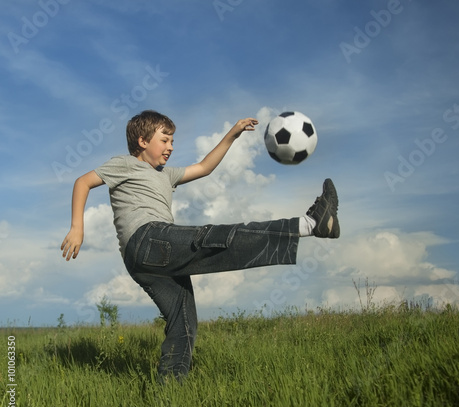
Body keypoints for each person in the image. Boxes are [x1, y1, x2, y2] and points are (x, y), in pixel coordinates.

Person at [61, 110, 340, 382]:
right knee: (213, 238)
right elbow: (82, 182)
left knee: (183, 320)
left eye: (172, 140)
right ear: (142, 142)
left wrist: (233, 133)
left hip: (149, 262)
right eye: (165, 139)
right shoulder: (125, 164)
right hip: (148, 239)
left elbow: (205, 167)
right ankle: (309, 224)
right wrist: (77, 227)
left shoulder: (166, 175)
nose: (171, 146)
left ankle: (170, 392)